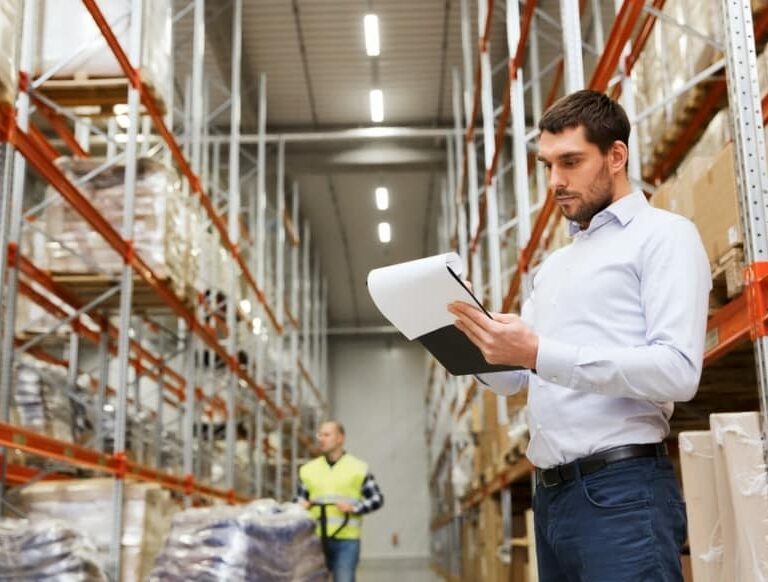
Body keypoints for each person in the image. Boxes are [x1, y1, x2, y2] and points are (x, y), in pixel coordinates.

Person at [448, 89, 710, 581]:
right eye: (547, 165)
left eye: (570, 162)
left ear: (616, 155)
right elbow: (520, 378)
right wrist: (467, 342)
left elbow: (678, 371)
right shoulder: (554, 268)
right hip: (553, 499)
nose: (555, 181)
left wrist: (538, 351)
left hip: (621, 493)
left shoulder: (663, 236)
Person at [295, 420, 384, 582]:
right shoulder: (308, 470)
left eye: (327, 435)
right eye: (319, 435)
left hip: (346, 541)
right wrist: (301, 506)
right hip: (315, 540)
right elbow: (298, 501)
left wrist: (355, 508)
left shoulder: (357, 468)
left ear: (340, 438)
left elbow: (377, 499)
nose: (321, 439)